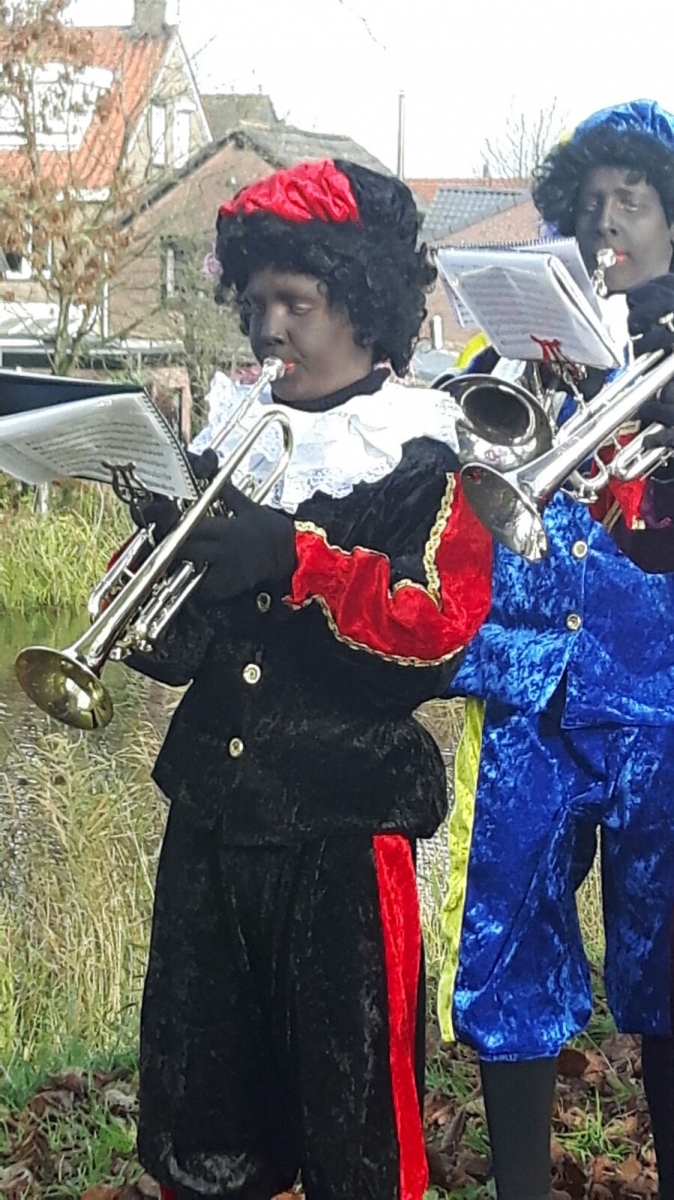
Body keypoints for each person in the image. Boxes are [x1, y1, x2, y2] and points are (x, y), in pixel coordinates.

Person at [119, 158, 492, 1200]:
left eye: (295, 302)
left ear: (361, 305)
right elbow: (170, 654)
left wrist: (296, 559)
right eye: (253, 305)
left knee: (354, 1123)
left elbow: (433, 639)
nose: (268, 329)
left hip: (341, 835)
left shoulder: (426, 453)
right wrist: (158, 540)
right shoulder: (231, 444)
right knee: (203, 1113)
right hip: (211, 824)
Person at [438, 100, 674, 1200]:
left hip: (658, 687)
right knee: (508, 946)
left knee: (670, 958)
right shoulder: (512, 347)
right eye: (589, 201)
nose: (606, 219)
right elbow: (458, 462)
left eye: (633, 200)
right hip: (528, 681)